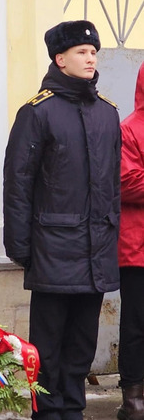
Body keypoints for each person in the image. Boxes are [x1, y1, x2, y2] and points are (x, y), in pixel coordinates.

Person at [3, 20, 120, 420]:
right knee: (48, 344)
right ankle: (48, 413)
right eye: (82, 53)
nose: (91, 58)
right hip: (52, 248)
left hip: (97, 251)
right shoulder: (38, 113)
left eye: (94, 53)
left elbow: (113, 188)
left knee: (83, 341)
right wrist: (20, 246)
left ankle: (73, 410)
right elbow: (18, 183)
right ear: (60, 59)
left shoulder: (108, 114)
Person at [117, 60, 144, 420]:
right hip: (138, 249)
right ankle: (134, 398)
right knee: (137, 325)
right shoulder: (129, 129)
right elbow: (126, 182)